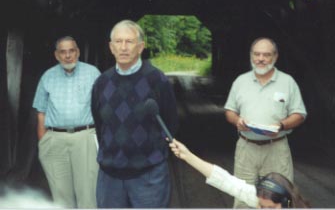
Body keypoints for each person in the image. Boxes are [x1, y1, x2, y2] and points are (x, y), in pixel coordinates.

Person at [91, 20, 178, 208]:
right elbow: (100, 125)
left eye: (129, 42)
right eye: (118, 41)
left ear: (140, 47)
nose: (123, 47)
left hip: (148, 176)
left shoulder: (157, 79)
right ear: (110, 47)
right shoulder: (101, 82)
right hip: (110, 177)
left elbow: (171, 123)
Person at [224, 37, 307, 208]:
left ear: (275, 57)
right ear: (251, 56)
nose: (261, 58)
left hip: (276, 148)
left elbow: (300, 114)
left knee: (281, 198)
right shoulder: (240, 81)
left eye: (266, 55)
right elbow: (229, 111)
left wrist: (282, 125)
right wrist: (237, 120)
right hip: (246, 148)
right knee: (242, 197)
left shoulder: (288, 82)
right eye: (257, 54)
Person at [32, 36, 100, 208]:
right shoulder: (48, 76)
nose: (68, 55)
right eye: (63, 52)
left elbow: (103, 108)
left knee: (88, 193)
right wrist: (44, 142)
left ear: (77, 52)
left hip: (85, 137)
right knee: (60, 195)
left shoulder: (93, 73)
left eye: (71, 51)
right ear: (57, 55)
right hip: (54, 140)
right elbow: (41, 111)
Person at [169, 139, 310, 208]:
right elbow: (224, 180)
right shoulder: (257, 198)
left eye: (272, 208)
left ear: (287, 203)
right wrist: (187, 155)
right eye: (262, 207)